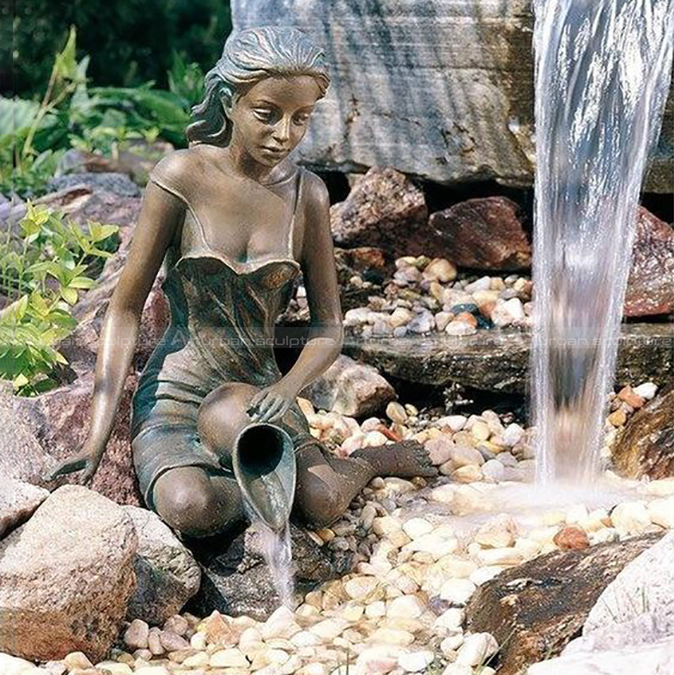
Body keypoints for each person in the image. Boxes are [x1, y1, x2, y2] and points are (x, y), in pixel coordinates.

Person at [46, 26, 435, 540]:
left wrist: (287, 387)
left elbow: (327, 326)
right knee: (189, 508)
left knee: (322, 502)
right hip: (178, 394)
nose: (284, 134)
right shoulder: (180, 177)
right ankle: (262, 488)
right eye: (267, 113)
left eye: (301, 119)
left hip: (259, 392)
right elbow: (124, 310)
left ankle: (368, 462)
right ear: (230, 101)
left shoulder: (308, 195)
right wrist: (97, 433)